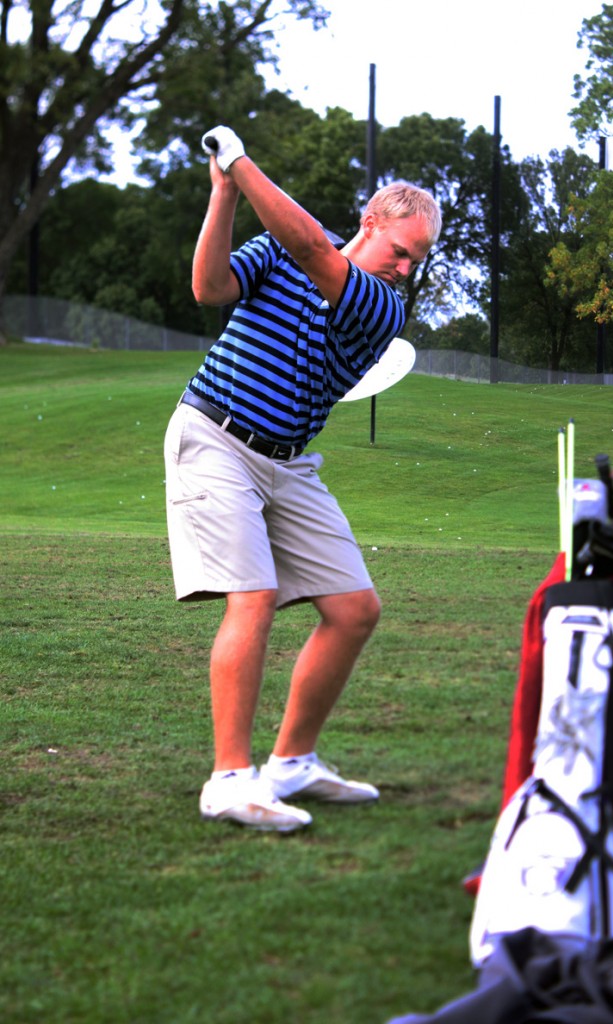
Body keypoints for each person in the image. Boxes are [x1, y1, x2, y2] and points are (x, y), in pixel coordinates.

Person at [164, 124, 441, 832]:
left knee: (354, 610)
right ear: (369, 223)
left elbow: (313, 247)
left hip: (287, 462)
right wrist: (223, 193)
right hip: (216, 436)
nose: (406, 268)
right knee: (251, 597)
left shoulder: (381, 307)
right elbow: (209, 286)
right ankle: (230, 780)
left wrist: (240, 162)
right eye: (400, 250)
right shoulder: (277, 252)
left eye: (418, 260)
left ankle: (291, 763)